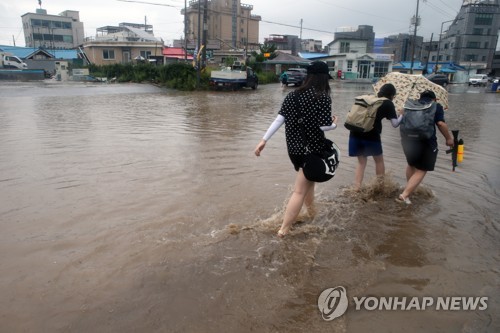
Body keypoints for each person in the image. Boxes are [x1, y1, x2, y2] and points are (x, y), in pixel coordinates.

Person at [254, 61, 337, 238]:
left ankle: (312, 213)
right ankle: (284, 229)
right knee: (299, 190)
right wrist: (334, 124)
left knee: (309, 182)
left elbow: (279, 119)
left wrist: (264, 140)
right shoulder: (322, 97)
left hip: (294, 150)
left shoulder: (293, 95)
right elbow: (324, 127)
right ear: (323, 78)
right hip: (312, 150)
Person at [397, 90, 454, 204]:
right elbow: (440, 124)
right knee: (423, 169)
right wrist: (448, 139)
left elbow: (400, 119)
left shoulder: (408, 105)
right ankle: (405, 195)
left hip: (407, 140)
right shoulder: (436, 106)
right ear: (434, 99)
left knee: (411, 164)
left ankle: (410, 189)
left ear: (419, 97)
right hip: (426, 141)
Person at [348, 83, 402, 191]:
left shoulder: (370, 99)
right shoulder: (387, 103)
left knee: (361, 162)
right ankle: (380, 187)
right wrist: (402, 115)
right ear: (391, 95)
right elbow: (395, 124)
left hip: (355, 132)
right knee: (379, 161)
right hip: (371, 135)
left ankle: (356, 188)